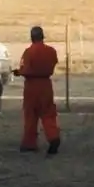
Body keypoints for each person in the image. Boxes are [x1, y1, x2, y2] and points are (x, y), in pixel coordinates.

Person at [13, 26, 61, 154]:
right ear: (42, 36)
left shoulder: (29, 52)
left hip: (32, 86)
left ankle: (29, 143)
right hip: (46, 84)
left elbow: (25, 69)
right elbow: (53, 64)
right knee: (48, 113)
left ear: (31, 37)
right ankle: (53, 136)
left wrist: (18, 72)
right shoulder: (51, 51)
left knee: (31, 114)